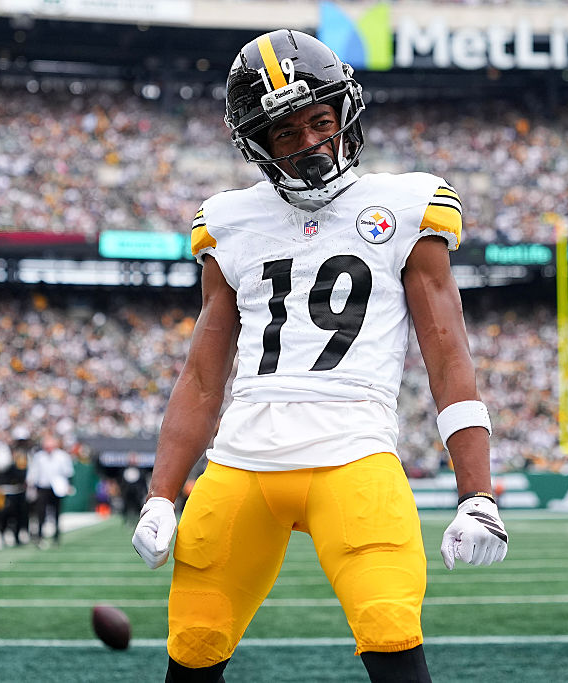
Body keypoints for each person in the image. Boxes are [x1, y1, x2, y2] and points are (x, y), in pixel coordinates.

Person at [131, 29, 508, 683]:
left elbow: (447, 355)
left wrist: (478, 492)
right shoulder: (230, 219)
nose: (308, 143)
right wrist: (161, 493)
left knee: (392, 632)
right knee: (193, 645)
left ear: (344, 112)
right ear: (257, 143)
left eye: (319, 121)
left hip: (353, 454)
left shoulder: (406, 204)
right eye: (285, 133)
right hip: (241, 462)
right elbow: (201, 373)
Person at [26, 434, 74, 547]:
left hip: (57, 488)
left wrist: (67, 486)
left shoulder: (62, 456)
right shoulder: (39, 456)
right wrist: (31, 484)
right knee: (40, 512)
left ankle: (56, 535)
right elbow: (33, 472)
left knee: (56, 512)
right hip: (43, 487)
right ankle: (40, 535)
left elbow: (68, 472)